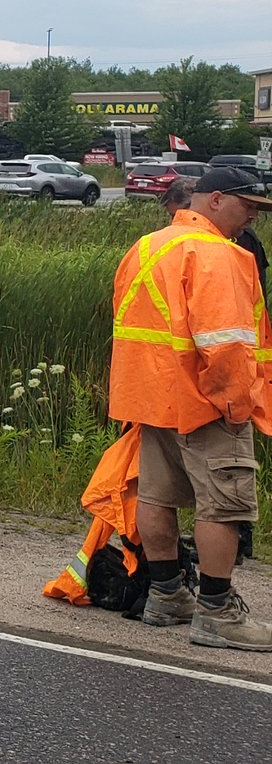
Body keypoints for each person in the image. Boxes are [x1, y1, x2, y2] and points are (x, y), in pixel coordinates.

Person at [113, 165, 272, 649]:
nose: (253, 221)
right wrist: (237, 403)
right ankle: (217, 611)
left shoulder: (146, 246)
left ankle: (167, 595)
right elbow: (225, 344)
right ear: (217, 199)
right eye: (249, 208)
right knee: (224, 503)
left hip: (150, 396)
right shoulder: (218, 256)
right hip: (207, 401)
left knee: (157, 496)